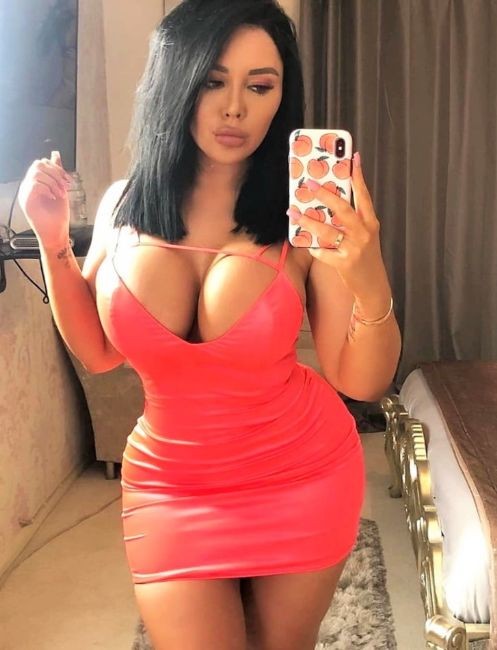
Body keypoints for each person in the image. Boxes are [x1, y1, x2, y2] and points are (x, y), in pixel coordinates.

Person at [18, 0, 401, 648]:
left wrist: (369, 276)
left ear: (282, 97)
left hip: (301, 474)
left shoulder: (303, 213)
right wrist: (53, 242)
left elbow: (360, 380)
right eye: (212, 80)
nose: (234, 108)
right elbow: (99, 352)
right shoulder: (124, 203)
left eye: (260, 86)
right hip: (171, 484)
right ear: (175, 79)